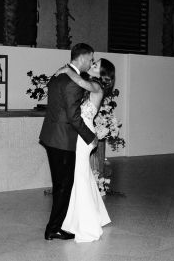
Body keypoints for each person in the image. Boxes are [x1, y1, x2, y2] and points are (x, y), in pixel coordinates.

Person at [39, 43, 98, 241]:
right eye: (90, 60)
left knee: (60, 185)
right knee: (64, 186)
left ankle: (55, 225)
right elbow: (74, 118)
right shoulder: (73, 82)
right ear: (81, 58)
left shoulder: (58, 76)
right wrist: (91, 137)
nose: (91, 64)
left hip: (50, 136)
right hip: (62, 140)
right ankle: (53, 228)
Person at [56, 58, 115, 243]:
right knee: (84, 176)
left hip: (84, 136)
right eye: (93, 63)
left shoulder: (96, 86)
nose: (91, 66)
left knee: (80, 177)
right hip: (84, 134)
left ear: (102, 74)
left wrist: (67, 70)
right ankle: (98, 216)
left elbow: (80, 82)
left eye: (95, 66)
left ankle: (87, 225)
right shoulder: (94, 85)